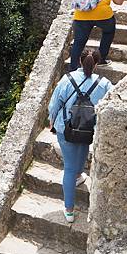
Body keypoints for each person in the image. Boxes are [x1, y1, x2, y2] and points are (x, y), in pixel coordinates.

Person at [48, 48, 112, 222]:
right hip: (88, 128)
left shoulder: (67, 79)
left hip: (65, 127)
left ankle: (69, 210)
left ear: (79, 61)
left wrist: (51, 120)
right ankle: (78, 175)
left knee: (68, 167)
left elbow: (54, 104)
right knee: (83, 146)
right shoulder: (104, 84)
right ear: (97, 64)